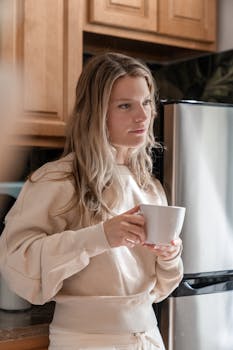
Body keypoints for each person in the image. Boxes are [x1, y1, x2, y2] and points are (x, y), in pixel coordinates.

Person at [0, 52, 183, 349]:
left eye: (146, 102)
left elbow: (161, 288)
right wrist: (99, 237)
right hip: (85, 340)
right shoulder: (57, 180)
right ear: (95, 112)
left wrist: (169, 255)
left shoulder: (149, 186)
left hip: (149, 337)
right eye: (125, 105)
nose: (143, 116)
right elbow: (17, 262)